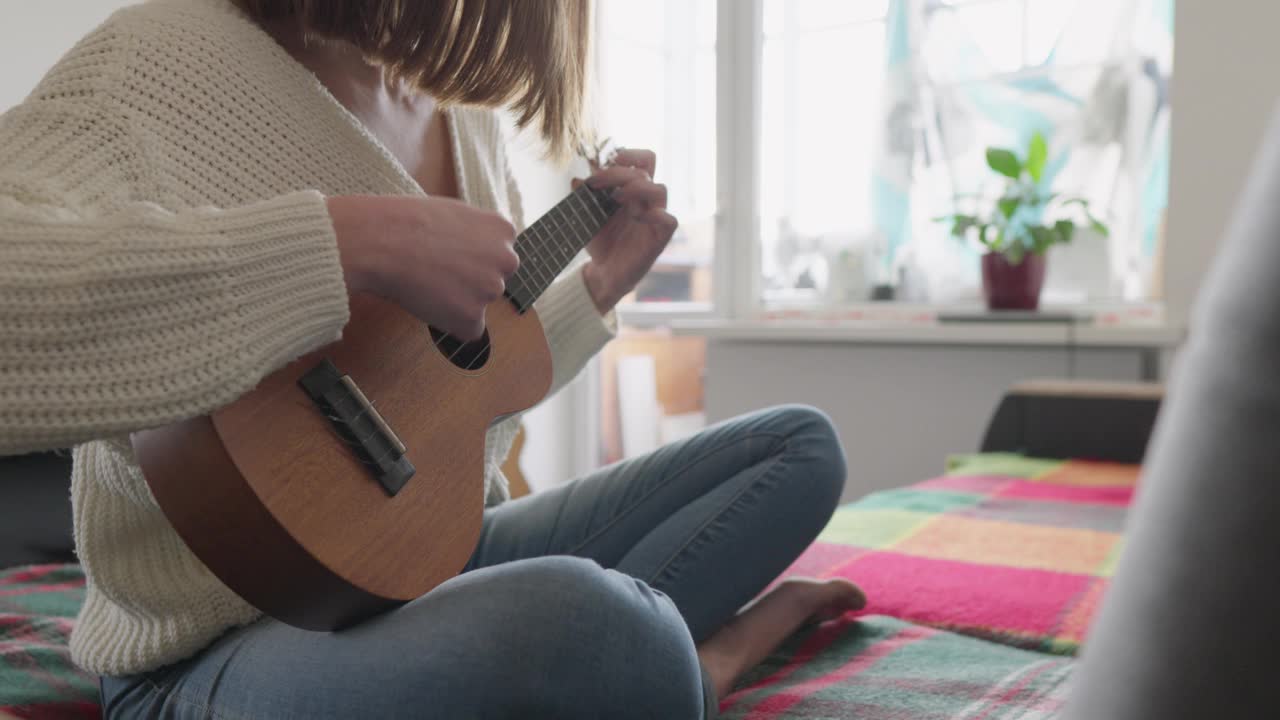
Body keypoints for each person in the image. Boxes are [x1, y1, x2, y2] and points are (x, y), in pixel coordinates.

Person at [0, 0, 863, 717]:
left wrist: (595, 288)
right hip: (211, 653)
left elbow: (445, 397)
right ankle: (698, 669)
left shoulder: (466, 122)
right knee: (596, 630)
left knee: (800, 447)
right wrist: (342, 242)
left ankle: (644, 677)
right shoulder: (163, 59)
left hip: (428, 558)